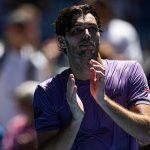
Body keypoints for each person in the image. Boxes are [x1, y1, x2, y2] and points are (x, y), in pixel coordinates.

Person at [33, 4, 150, 150]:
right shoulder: (46, 92)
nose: (87, 34)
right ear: (62, 41)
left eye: (93, 29)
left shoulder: (130, 71)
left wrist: (104, 101)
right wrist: (75, 121)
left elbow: (147, 134)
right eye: (78, 30)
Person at [2, 81, 38, 150]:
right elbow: (7, 145)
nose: (19, 105)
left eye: (24, 101)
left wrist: (34, 141)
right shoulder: (16, 124)